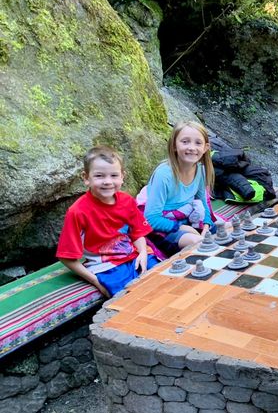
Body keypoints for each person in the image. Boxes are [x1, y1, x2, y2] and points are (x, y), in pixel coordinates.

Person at [56, 146, 159, 298]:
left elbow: (137, 233)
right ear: (86, 178)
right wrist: (95, 281)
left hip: (134, 256)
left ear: (122, 177)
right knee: (129, 299)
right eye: (99, 176)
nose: (107, 182)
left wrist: (143, 253)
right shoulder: (77, 212)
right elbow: (66, 256)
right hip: (105, 267)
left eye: (114, 175)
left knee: (164, 279)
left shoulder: (127, 201)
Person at [144, 121, 216, 255]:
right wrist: (183, 228)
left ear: (205, 147)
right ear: (174, 146)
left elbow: (203, 202)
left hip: (187, 218)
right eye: (185, 142)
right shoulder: (164, 174)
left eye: (198, 143)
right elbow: (151, 219)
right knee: (197, 242)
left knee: (226, 230)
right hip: (165, 226)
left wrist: (206, 224)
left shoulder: (200, 169)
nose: (192, 147)